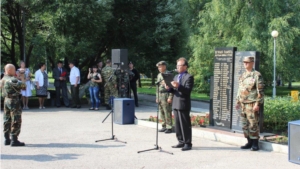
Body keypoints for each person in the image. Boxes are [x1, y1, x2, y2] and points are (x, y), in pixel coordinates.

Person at [235, 56, 264, 151]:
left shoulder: (256, 75)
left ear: (252, 63)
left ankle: (255, 143)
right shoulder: (242, 75)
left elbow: (260, 91)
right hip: (243, 104)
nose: (245, 64)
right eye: (244, 62)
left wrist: (257, 104)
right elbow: (239, 89)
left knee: (253, 123)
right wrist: (237, 101)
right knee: (244, 124)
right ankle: (249, 142)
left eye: (247, 62)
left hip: (251, 103)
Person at [165, 57, 194, 151]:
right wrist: (168, 88)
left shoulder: (189, 77)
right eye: (177, 65)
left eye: (179, 65)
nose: (177, 67)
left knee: (185, 124)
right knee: (177, 124)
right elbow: (173, 90)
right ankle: (180, 141)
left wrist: (179, 86)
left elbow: (187, 91)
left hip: (183, 103)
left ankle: (187, 143)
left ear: (185, 66)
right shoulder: (176, 76)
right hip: (175, 103)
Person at [1, 64, 26, 146]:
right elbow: (24, 86)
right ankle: (14, 139)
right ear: (9, 70)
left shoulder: (3, 79)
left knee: (7, 119)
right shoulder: (12, 80)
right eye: (14, 70)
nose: (16, 71)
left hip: (6, 100)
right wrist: (22, 76)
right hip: (14, 101)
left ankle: (6, 139)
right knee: (16, 119)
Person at [156, 61, 173, 134]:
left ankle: (169, 127)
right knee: (161, 111)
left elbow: (172, 87)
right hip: (160, 94)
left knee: (167, 111)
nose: (159, 68)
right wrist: (157, 96)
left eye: (160, 66)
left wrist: (170, 97)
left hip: (166, 94)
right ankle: (163, 125)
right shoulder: (159, 75)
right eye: (158, 67)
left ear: (164, 66)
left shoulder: (168, 74)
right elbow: (157, 87)